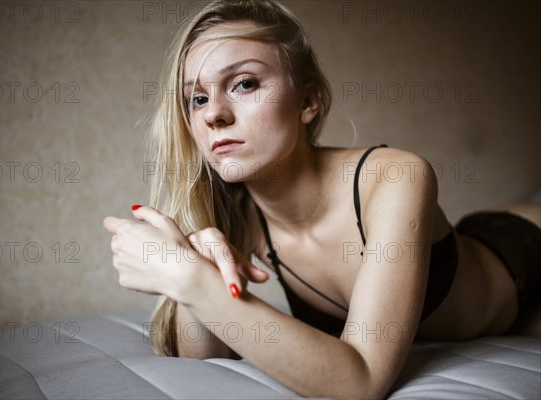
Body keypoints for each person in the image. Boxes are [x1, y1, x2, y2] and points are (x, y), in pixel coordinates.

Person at [103, 1, 541, 398]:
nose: (214, 113)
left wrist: (189, 281)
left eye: (244, 83)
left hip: (526, 254)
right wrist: (196, 271)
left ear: (308, 101)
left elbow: (362, 380)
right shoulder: (237, 219)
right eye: (196, 98)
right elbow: (197, 363)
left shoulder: (395, 176)